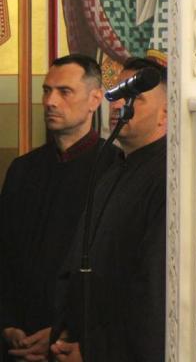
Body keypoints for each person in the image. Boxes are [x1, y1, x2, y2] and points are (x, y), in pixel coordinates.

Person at [51, 57, 167, 362]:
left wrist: (95, 350)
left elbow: (151, 287)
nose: (117, 105)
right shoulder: (111, 171)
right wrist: (64, 332)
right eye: (116, 93)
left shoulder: (167, 178)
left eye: (134, 97)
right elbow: (76, 261)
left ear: (166, 113)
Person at [0, 55, 113, 362]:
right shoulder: (22, 170)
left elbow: (114, 271)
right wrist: (7, 323)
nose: (50, 101)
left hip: (74, 343)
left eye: (65, 92)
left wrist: (64, 331)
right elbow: (5, 251)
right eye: (46, 90)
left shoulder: (113, 169)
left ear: (94, 99)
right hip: (16, 339)